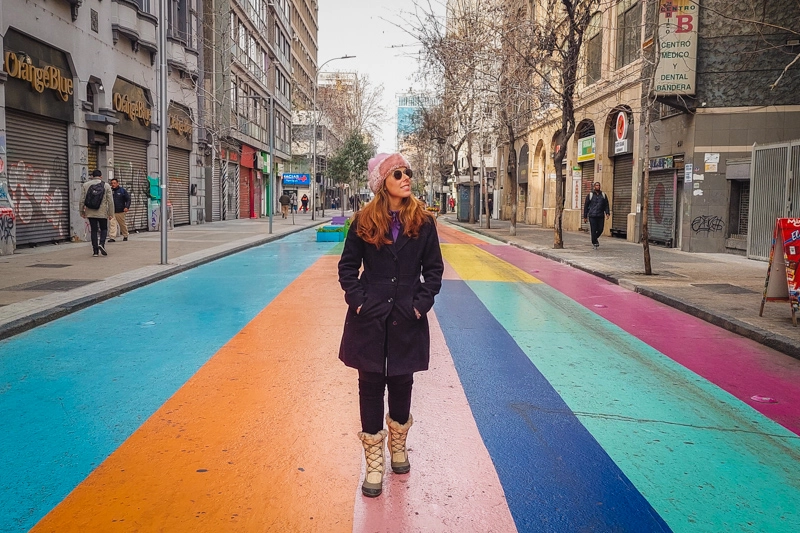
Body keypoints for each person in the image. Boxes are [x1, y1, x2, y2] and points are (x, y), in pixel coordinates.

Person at [338, 152, 444, 498]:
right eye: (397, 173)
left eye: (407, 172)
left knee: (401, 381)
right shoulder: (363, 221)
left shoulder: (424, 222)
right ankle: (373, 460)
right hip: (369, 318)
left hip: (406, 316)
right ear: (381, 182)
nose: (405, 177)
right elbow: (347, 268)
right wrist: (359, 301)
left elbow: (434, 271)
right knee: (369, 384)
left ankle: (397, 446)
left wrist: (419, 305)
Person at [80, 169, 114, 257]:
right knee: (104, 229)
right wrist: (111, 213)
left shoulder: (86, 185)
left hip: (90, 212)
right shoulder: (106, 185)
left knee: (94, 231)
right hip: (102, 212)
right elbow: (110, 201)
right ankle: (101, 244)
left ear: (92, 176)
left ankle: (95, 251)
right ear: (101, 176)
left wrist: (82, 211)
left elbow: (82, 200)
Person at [583, 181, 610, 249]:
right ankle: (595, 242)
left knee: (601, 229)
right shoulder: (590, 195)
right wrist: (585, 216)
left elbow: (606, 205)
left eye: (599, 185)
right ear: (594, 187)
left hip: (600, 215)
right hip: (592, 215)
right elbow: (586, 206)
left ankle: (594, 238)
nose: (598, 187)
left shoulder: (603, 195)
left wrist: (607, 213)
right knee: (593, 229)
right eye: (596, 185)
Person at [107, 178, 130, 242]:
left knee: (122, 224)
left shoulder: (122, 191)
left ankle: (125, 235)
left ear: (118, 183)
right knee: (112, 224)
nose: (113, 184)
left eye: (114, 183)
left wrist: (127, 207)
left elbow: (128, 199)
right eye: (112, 183)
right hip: (112, 211)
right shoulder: (110, 191)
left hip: (120, 211)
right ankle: (112, 237)